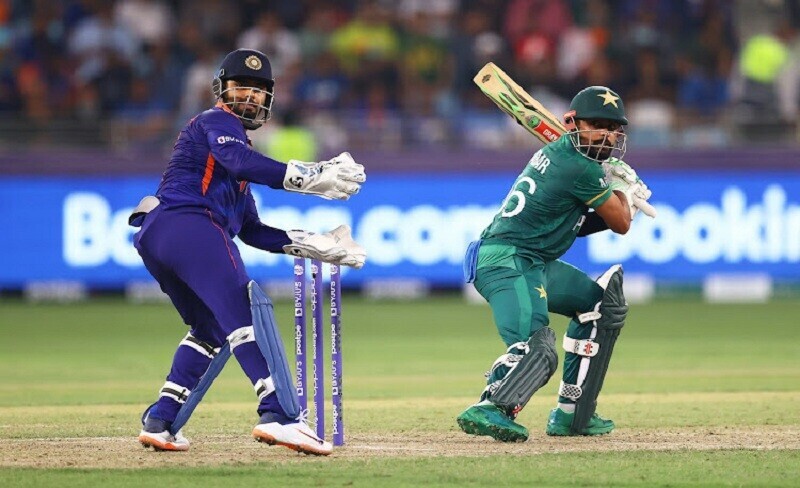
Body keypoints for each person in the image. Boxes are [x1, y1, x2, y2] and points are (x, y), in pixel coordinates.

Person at [130, 49, 366, 456]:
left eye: (259, 91)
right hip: (188, 223)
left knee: (208, 330)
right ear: (222, 89)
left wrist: (314, 245)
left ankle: (161, 419)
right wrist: (312, 175)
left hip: (160, 236)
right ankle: (279, 414)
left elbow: (253, 231)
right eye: (243, 87)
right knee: (243, 315)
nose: (251, 97)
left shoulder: (237, 175)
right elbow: (238, 159)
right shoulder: (214, 121)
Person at [457, 86, 654, 441]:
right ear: (571, 123)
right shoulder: (580, 168)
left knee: (600, 307)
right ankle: (490, 407)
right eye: (597, 125)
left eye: (613, 128)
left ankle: (572, 414)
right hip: (508, 261)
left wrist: (619, 195)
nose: (606, 134)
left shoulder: (568, 159)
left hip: (535, 261)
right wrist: (626, 191)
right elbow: (621, 224)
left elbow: (576, 225)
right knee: (537, 346)